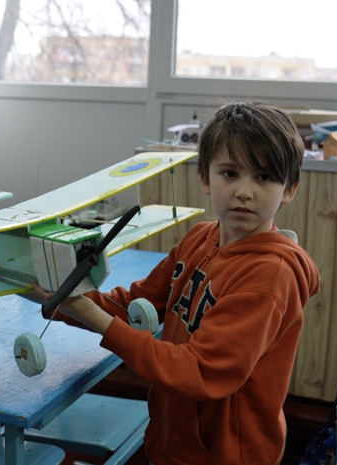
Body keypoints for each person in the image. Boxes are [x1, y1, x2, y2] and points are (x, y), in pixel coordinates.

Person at [32, 100, 320, 465]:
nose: (245, 192)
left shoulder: (270, 277)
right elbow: (135, 304)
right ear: (205, 178)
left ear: (289, 188)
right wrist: (59, 296)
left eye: (264, 177)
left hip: (226, 456)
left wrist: (91, 316)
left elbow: (200, 371)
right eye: (230, 173)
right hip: (173, 440)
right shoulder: (200, 238)